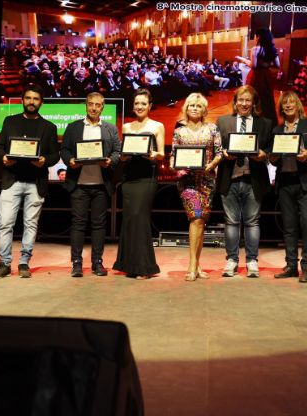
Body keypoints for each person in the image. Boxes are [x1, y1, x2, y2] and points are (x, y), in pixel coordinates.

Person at [0, 85, 60, 279]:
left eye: (35, 99)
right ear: (22, 100)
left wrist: (45, 160)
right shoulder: (10, 121)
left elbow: (55, 155)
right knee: (5, 223)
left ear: (41, 103)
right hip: (11, 180)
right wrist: (3, 157)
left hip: (36, 183)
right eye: (28, 98)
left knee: (31, 225)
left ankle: (24, 263)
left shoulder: (49, 127)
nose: (31, 102)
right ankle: (4, 263)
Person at [60, 92, 121, 277]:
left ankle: (97, 262)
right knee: (78, 224)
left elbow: (117, 151)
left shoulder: (110, 128)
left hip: (101, 185)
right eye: (90, 104)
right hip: (79, 184)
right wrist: (70, 160)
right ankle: (76, 263)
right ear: (86, 105)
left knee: (99, 225)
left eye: (97, 105)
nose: (94, 108)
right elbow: (64, 149)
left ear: (103, 107)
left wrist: (110, 161)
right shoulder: (73, 127)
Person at [215, 86, 272, 278]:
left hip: (253, 179)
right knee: (231, 222)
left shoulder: (265, 123)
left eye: (248, 100)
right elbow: (216, 148)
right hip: (229, 178)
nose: (244, 104)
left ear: (254, 103)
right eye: (241, 100)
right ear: (235, 102)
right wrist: (223, 153)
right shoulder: (223, 121)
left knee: (252, 222)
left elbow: (270, 150)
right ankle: (232, 260)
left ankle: (251, 261)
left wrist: (264, 155)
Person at [269, 91, 307, 283]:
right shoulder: (277, 130)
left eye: (291, 102)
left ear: (298, 105)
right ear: (281, 108)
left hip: (306, 182)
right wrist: (273, 157)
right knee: (289, 226)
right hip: (285, 182)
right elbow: (273, 159)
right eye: (285, 103)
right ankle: (291, 265)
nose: (288, 105)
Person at [113, 89, 165, 279]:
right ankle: (128, 264)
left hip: (147, 177)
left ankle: (144, 266)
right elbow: (123, 154)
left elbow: (161, 154)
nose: (140, 106)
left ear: (150, 106)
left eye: (143, 103)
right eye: (137, 103)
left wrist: (153, 155)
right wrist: (123, 156)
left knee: (139, 217)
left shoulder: (157, 126)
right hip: (129, 178)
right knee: (129, 219)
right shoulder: (127, 127)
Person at [170, 93, 223, 281]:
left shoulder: (212, 129)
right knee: (196, 217)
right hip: (187, 182)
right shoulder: (179, 131)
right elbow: (173, 157)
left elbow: (219, 153)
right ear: (186, 108)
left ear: (204, 110)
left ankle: (197, 265)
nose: (194, 108)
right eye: (191, 105)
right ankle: (192, 266)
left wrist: (211, 165)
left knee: (201, 222)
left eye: (198, 106)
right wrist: (177, 169)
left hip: (207, 181)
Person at [236, 28, 280, 122]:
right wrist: (266, 64)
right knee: (267, 98)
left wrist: (243, 59)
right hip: (267, 76)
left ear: (259, 37)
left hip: (256, 76)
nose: (255, 38)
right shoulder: (272, 49)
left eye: (256, 36)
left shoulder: (255, 49)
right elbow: (277, 64)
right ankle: (268, 121)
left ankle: (253, 120)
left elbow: (253, 65)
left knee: (254, 97)